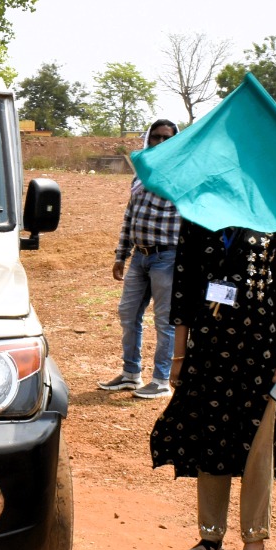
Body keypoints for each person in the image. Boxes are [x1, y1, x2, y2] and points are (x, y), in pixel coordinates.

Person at [150, 219, 276, 550]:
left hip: (261, 354)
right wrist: (179, 356)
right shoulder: (197, 217)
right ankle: (210, 537)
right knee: (211, 441)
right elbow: (184, 291)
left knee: (258, 446)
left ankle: (254, 544)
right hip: (209, 350)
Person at [101, 119, 181, 400]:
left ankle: (160, 380)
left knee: (165, 321)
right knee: (128, 313)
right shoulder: (140, 176)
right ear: (148, 140)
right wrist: (121, 255)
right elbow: (129, 217)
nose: (160, 143)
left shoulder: (182, 176)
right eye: (156, 137)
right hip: (140, 256)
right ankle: (130, 374)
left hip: (168, 258)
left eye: (167, 138)